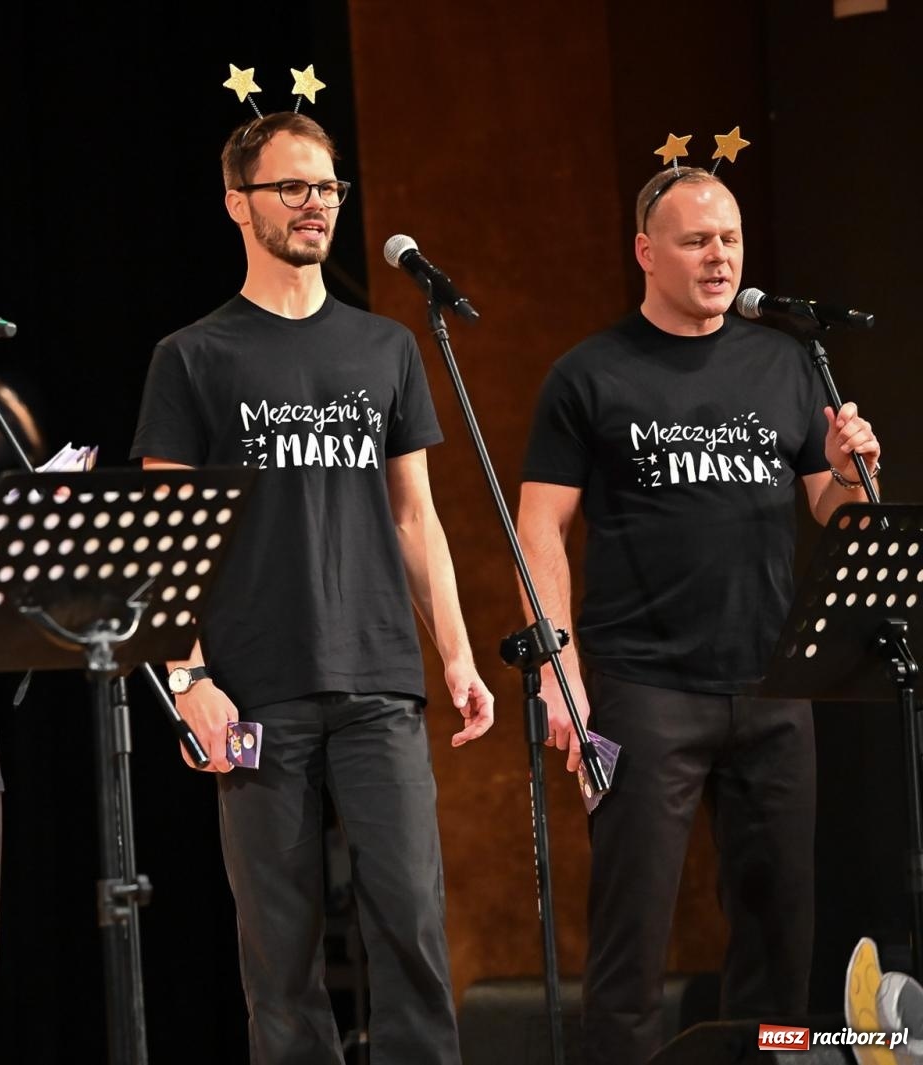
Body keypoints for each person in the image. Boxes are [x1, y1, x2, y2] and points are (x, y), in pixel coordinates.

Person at [130, 110, 494, 1065]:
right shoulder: (193, 356)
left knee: (412, 925)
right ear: (236, 203)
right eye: (291, 186)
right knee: (279, 955)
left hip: (380, 678)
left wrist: (457, 655)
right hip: (256, 685)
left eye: (327, 186)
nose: (316, 204)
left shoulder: (386, 347)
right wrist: (188, 677)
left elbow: (415, 518)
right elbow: (168, 542)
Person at [517, 164, 882, 1065]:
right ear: (647, 252)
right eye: (697, 241)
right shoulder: (590, 374)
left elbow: (832, 508)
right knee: (632, 940)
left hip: (774, 685)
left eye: (730, 239)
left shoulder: (784, 361)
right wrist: (559, 668)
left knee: (779, 936)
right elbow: (539, 528)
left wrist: (848, 471)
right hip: (644, 690)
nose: (720, 257)